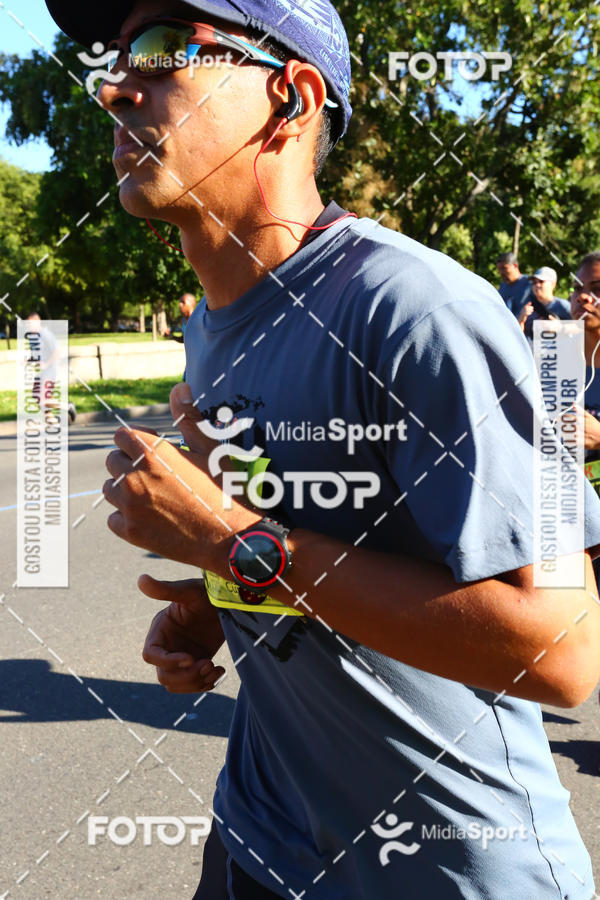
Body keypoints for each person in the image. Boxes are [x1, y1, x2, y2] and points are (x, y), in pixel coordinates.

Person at [46, 1, 600, 898]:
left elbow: (566, 652)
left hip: (440, 871)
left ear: (291, 99)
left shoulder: (421, 311)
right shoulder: (211, 328)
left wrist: (233, 542)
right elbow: (330, 540)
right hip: (261, 841)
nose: (116, 88)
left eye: (160, 51)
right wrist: (219, 594)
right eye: (114, 57)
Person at [518, 265, 571, 340]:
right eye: (534, 282)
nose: (537, 285)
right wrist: (521, 319)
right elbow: (519, 337)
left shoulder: (562, 306)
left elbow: (582, 328)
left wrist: (561, 328)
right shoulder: (527, 307)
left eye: (541, 281)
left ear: (553, 284)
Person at [496, 250, 532, 317]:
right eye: (499, 269)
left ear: (515, 265)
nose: (501, 273)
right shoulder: (502, 287)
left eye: (504, 268)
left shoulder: (530, 283)